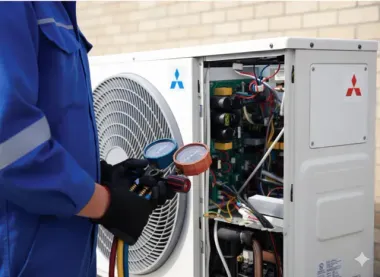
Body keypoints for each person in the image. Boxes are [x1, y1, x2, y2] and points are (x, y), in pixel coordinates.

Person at [0, 2, 173, 276]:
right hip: (25, 261)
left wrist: (100, 175)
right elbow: (8, 144)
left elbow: (56, 120)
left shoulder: (57, 8)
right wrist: (106, 203)